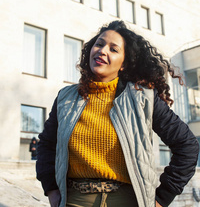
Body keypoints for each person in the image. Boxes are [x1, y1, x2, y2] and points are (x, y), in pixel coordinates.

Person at [36, 20, 199, 207]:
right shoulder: (66, 98)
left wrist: (162, 198)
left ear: (124, 64)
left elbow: (187, 145)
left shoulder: (143, 98)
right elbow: (47, 144)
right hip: (75, 201)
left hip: (127, 201)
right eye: (99, 44)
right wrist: (51, 188)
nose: (102, 51)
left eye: (113, 49)